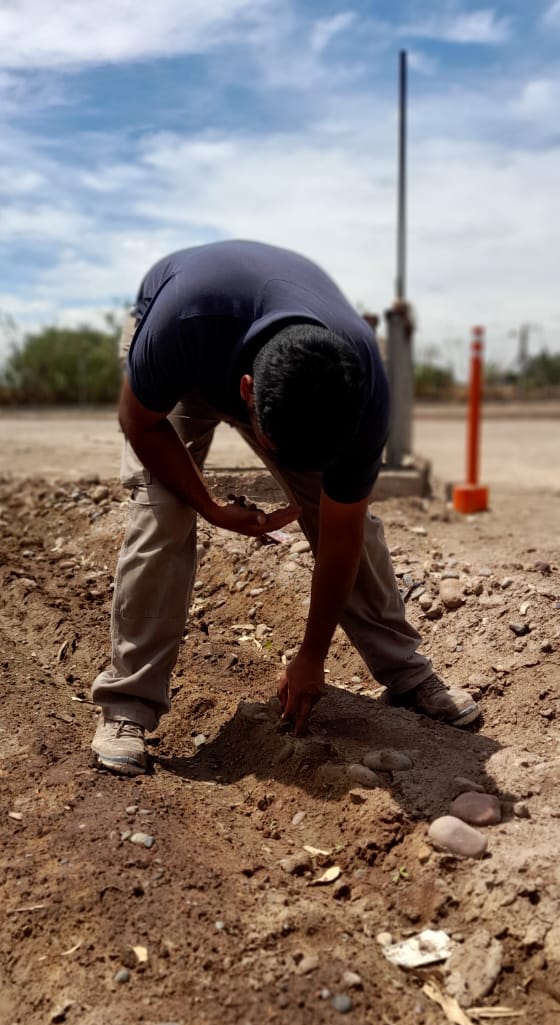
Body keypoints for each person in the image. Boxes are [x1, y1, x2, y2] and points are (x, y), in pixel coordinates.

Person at [91, 240, 478, 776]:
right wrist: (209, 507)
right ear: (246, 395)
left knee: (350, 523)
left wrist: (312, 657)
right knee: (162, 514)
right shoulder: (181, 322)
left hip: (281, 375)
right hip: (185, 360)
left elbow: (340, 534)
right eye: (276, 446)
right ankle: (127, 706)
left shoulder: (360, 390)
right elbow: (140, 422)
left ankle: (406, 674)